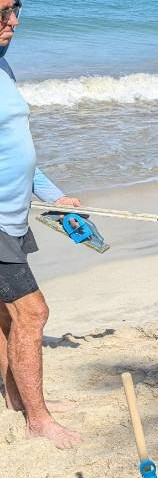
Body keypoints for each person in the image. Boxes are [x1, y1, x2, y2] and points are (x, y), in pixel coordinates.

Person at [1, 0, 84, 448]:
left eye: (16, 9)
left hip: (13, 217)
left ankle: (17, 398)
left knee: (5, 314)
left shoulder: (3, 66)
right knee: (33, 313)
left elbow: (17, 150)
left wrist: (53, 196)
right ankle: (39, 419)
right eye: (1, 13)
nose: (12, 22)